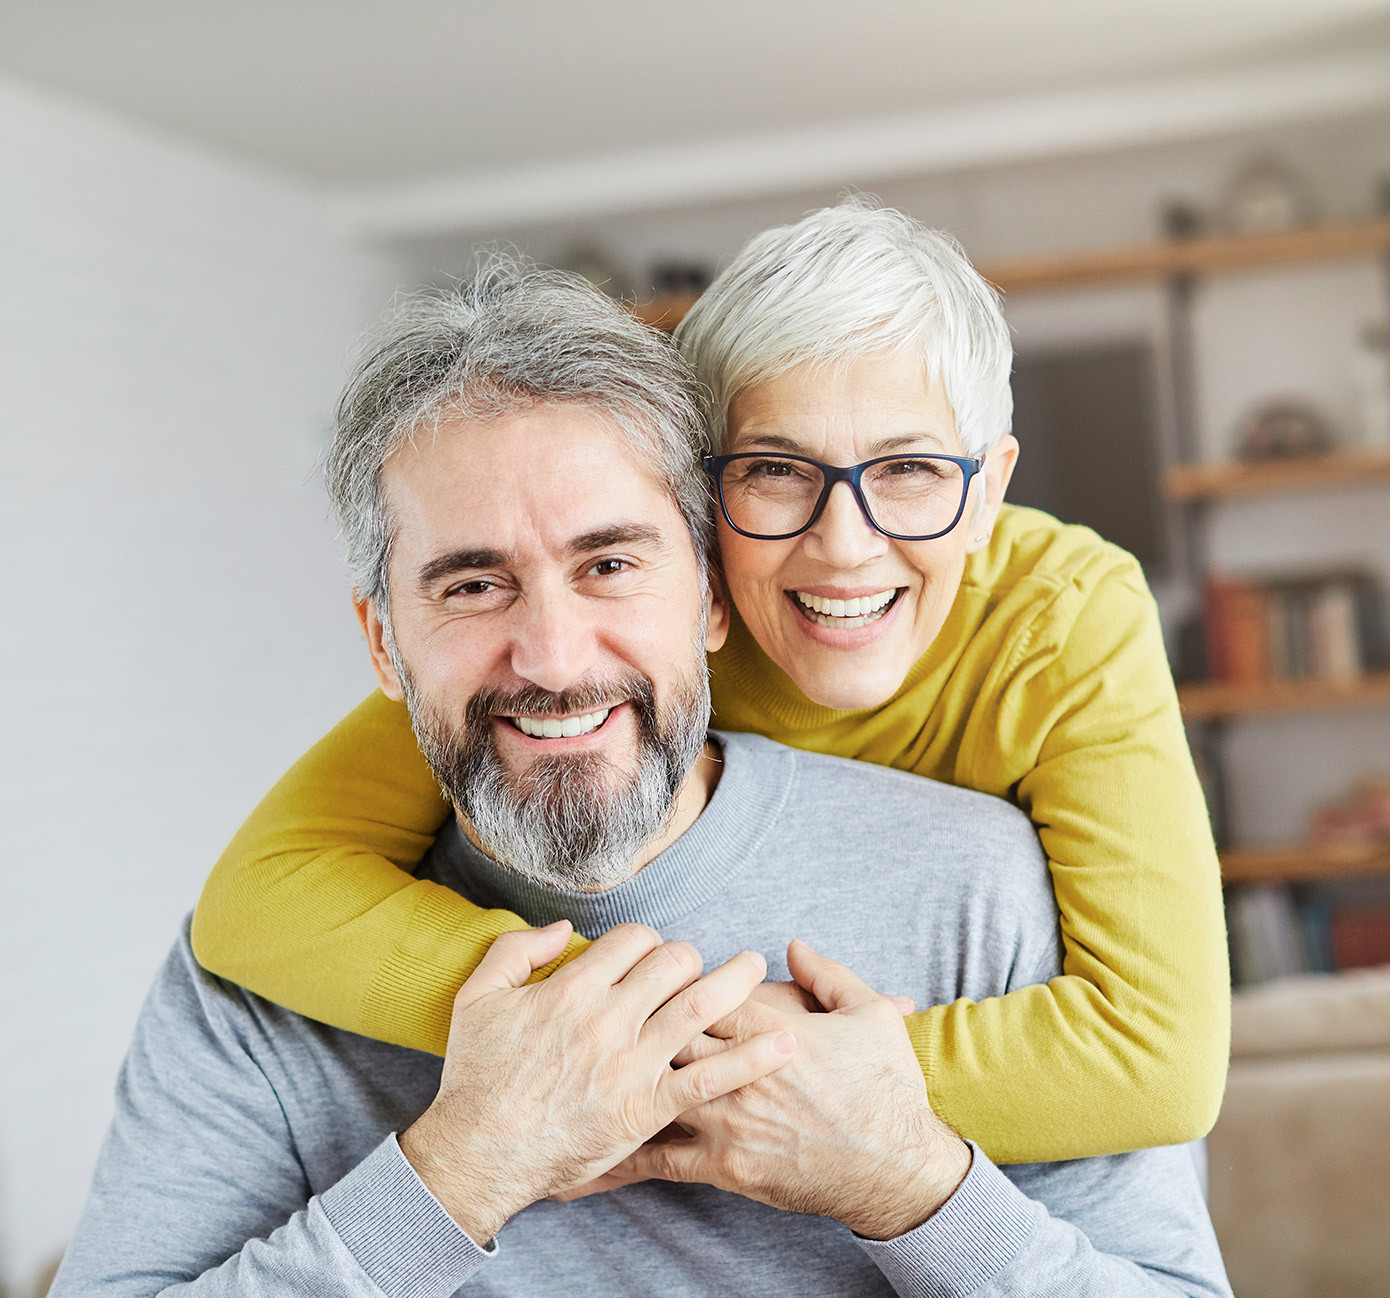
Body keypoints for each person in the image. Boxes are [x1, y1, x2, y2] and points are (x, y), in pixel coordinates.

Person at [54, 264, 1230, 1295]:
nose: (554, 657)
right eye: (470, 585)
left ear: (710, 590)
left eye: (610, 562)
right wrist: (462, 1168)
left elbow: (1160, 1082)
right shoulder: (251, 982)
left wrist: (910, 1180)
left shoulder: (982, 884)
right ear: (381, 643)